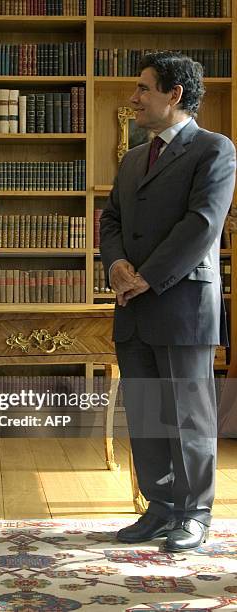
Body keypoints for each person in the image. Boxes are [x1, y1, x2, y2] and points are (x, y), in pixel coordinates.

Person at [100, 51, 236, 552]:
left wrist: (147, 278)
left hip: (181, 305)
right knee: (147, 413)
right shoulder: (134, 157)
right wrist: (115, 266)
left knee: (188, 417)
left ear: (174, 94)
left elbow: (202, 226)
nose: (133, 99)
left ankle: (194, 514)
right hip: (131, 305)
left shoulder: (214, 149)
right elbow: (111, 219)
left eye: (143, 89)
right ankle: (158, 509)